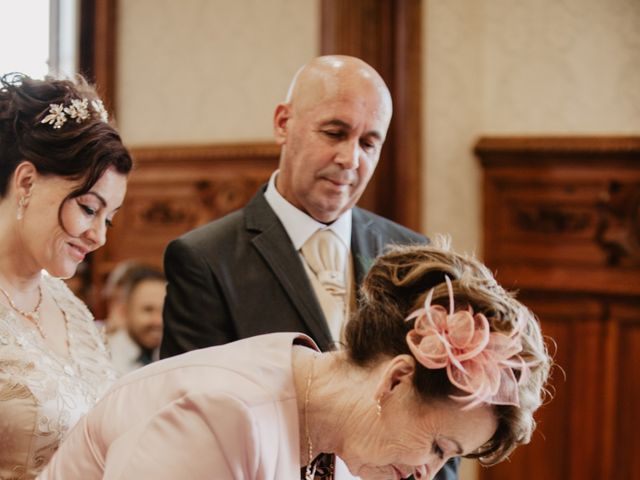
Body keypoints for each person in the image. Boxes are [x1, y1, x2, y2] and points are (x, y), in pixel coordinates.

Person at [39, 240, 552, 480]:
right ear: (395, 380)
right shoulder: (217, 414)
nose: (428, 473)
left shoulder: (340, 441)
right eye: (440, 447)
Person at [161, 54, 426, 353]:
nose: (351, 159)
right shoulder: (205, 259)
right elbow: (193, 394)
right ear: (283, 124)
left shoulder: (413, 256)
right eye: (334, 133)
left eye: (368, 144)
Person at [0, 73, 132, 479]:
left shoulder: (70, 308)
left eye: (109, 218)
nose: (98, 237)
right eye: (90, 209)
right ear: (26, 182)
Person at [107, 264, 166, 375]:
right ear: (123, 312)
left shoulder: (175, 355)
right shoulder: (102, 357)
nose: (158, 321)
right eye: (148, 310)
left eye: (164, 311)